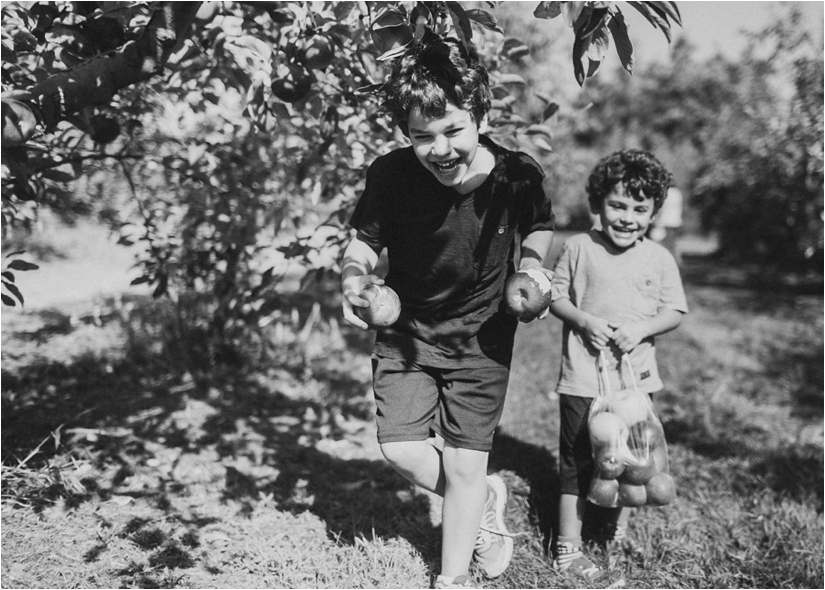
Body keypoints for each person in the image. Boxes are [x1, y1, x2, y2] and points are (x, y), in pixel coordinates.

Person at [340, 34, 555, 589]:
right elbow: (363, 242)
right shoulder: (390, 175)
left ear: (480, 115)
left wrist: (531, 268)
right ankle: (482, 498)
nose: (439, 148)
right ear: (405, 135)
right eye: (422, 136)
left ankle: (453, 576)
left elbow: (539, 226)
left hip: (483, 335)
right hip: (408, 332)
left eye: (453, 130)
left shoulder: (517, 174)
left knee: (463, 462)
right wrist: (354, 280)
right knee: (401, 450)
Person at [548, 149, 688, 583]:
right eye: (618, 205)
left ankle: (615, 526)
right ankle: (569, 548)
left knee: (633, 459)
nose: (628, 217)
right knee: (578, 461)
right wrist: (583, 320)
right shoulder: (578, 248)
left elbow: (675, 310)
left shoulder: (660, 259)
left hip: (634, 385)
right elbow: (554, 296)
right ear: (597, 204)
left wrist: (644, 327)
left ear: (653, 213)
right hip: (584, 379)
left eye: (640, 209)